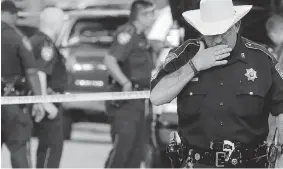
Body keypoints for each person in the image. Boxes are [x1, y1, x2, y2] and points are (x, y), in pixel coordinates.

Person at [150, 0, 283, 168]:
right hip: (197, 163)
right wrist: (194, 66)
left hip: (250, 164)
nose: (218, 39)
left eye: (224, 32)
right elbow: (156, 96)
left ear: (237, 25)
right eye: (211, 33)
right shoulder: (186, 55)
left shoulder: (262, 59)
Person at [103, 0, 157, 168]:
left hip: (141, 100)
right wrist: (124, 82)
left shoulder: (142, 36)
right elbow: (110, 59)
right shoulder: (127, 33)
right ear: (141, 16)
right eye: (151, 14)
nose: (154, 18)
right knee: (123, 148)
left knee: (137, 151)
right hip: (127, 101)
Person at [1, 0, 45, 168]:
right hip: (12, 102)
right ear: (13, 15)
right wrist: (39, 99)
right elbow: (32, 72)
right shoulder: (17, 37)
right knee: (19, 150)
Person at [29, 7, 66, 168]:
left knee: (46, 149)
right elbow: (40, 73)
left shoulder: (33, 40)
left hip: (40, 101)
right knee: (51, 149)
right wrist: (45, 103)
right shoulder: (46, 45)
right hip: (48, 102)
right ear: (57, 24)